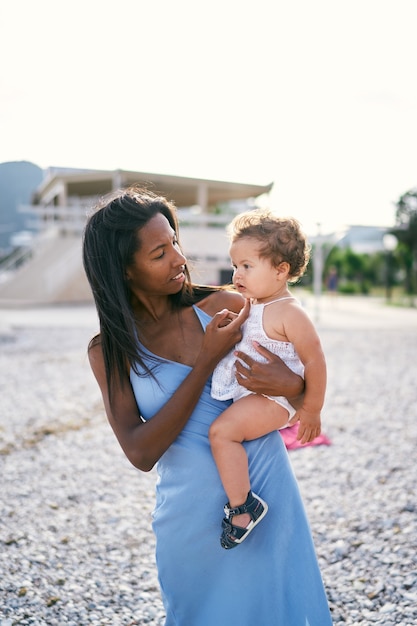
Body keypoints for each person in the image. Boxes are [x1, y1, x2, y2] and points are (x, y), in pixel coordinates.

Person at [82, 186, 333, 626]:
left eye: (174, 242)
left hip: (265, 493)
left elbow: (295, 388)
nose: (179, 258)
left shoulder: (230, 305)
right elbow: (140, 453)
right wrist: (206, 361)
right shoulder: (110, 351)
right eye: (160, 253)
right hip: (190, 517)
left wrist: (293, 384)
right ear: (124, 271)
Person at [210, 209, 327, 549]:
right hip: (252, 392)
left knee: (222, 433)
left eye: (247, 266)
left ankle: (242, 507)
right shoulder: (253, 304)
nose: (237, 273)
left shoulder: (290, 312)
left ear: (281, 270)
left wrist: (312, 410)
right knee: (223, 431)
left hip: (272, 401)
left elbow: (315, 360)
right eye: (235, 266)